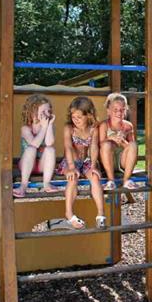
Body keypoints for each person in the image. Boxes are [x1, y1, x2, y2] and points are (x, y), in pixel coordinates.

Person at [56, 97, 106, 229]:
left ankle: (100, 214)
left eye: (79, 117)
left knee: (95, 177)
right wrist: (72, 167)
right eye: (73, 117)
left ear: (88, 115)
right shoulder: (69, 128)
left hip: (86, 161)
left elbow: (94, 147)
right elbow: (68, 147)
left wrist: (93, 165)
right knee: (72, 178)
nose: (75, 120)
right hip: (70, 161)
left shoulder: (93, 129)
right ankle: (69, 213)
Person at [14, 94, 57, 197]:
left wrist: (49, 125)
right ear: (32, 113)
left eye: (48, 111)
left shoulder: (49, 126)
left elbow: (49, 143)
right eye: (43, 112)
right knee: (31, 149)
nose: (47, 114)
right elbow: (35, 144)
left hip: (42, 166)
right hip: (26, 165)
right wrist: (44, 128)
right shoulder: (26, 129)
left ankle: (46, 183)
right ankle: (23, 185)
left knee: (50, 149)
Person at [99, 93, 138, 190]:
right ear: (108, 110)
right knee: (106, 145)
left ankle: (126, 180)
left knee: (133, 145)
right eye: (115, 110)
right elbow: (100, 145)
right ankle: (111, 181)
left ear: (126, 110)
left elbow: (133, 151)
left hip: (122, 161)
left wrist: (123, 141)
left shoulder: (128, 126)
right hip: (108, 161)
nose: (119, 113)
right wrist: (110, 138)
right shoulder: (104, 125)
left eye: (122, 109)